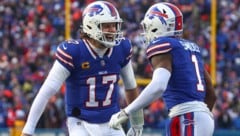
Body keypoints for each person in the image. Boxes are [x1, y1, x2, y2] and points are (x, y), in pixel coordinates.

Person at [21, 1, 144, 136]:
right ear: (91, 27)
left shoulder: (122, 48)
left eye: (114, 25)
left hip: (112, 121)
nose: (113, 30)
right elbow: (46, 92)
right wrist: (28, 130)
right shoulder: (74, 52)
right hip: (81, 123)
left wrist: (137, 122)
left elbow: (131, 87)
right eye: (106, 26)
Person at [109, 2, 216, 136]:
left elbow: (159, 86)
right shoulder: (191, 47)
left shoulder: (163, 45)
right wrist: (203, 117)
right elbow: (211, 93)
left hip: (187, 116)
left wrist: (127, 111)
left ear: (158, 25)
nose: (146, 31)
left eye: (148, 26)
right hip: (195, 116)